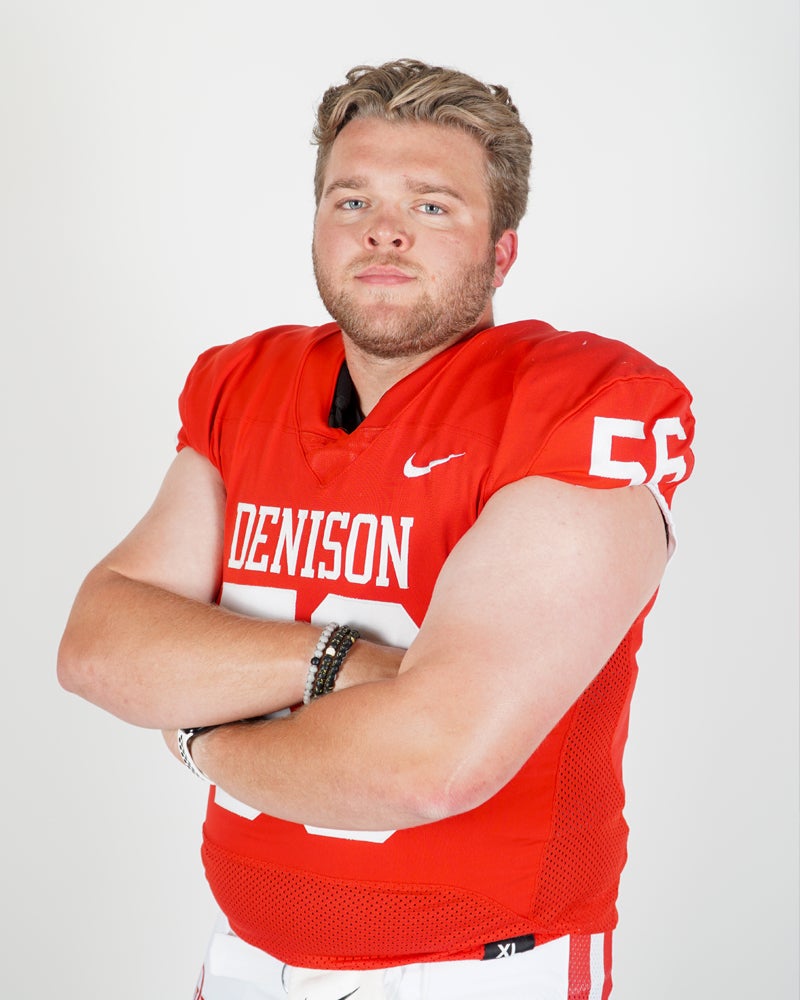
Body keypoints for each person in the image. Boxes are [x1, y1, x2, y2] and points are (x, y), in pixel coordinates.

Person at [58, 58, 695, 1000]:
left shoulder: (579, 404)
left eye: (433, 206)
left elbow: (432, 763)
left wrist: (200, 740)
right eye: (351, 200)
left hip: (479, 970)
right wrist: (345, 664)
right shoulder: (245, 382)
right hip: (242, 957)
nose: (385, 230)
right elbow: (99, 645)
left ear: (502, 251)